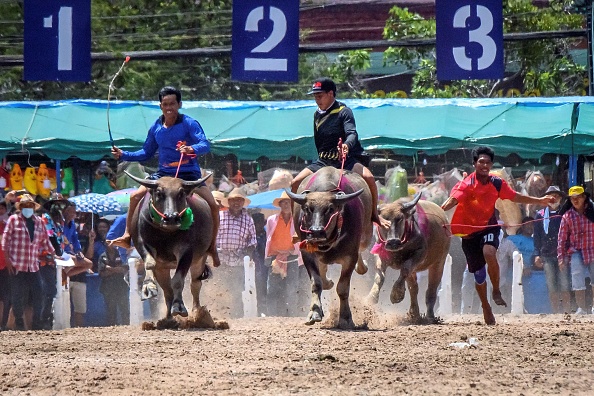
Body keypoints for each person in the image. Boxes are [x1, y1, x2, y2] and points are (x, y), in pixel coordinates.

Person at [441, 146, 555, 325]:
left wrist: (539, 201)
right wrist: (439, 212)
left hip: (489, 227)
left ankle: (495, 290)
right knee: (478, 274)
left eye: (488, 162)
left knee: (489, 252)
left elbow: (515, 197)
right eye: (481, 162)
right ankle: (486, 306)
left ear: (491, 164)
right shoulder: (466, 184)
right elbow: (452, 200)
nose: (485, 165)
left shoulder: (496, 183)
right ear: (475, 164)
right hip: (469, 233)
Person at [108, 86, 221, 268]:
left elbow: (204, 144)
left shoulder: (189, 123)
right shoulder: (156, 127)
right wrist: (123, 154)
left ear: (179, 104)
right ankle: (128, 235)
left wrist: (192, 149)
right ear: (160, 106)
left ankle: (212, 246)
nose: (169, 108)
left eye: (173, 104)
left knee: (213, 206)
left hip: (188, 176)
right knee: (135, 196)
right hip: (163, 175)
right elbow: (146, 152)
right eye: (165, 104)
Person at [290, 77, 389, 229]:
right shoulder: (317, 114)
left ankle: (375, 214)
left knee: (369, 177)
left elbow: (352, 133)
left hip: (345, 158)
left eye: (320, 96)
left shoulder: (344, 112)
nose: (317, 100)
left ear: (331, 94)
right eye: (315, 96)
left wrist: (347, 145)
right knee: (295, 183)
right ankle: (296, 226)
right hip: (323, 161)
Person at [1, 194, 55, 330]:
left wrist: (53, 253)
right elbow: (5, 242)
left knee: (40, 293)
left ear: (33, 207)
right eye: (25, 206)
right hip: (16, 264)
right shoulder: (13, 220)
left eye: (30, 206)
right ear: (21, 207)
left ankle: (37, 322)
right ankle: (19, 323)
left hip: (32, 265)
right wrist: (7, 261)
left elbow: (45, 240)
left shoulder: (38, 222)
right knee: (17, 296)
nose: (28, 208)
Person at [216, 188, 257, 318]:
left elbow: (253, 241)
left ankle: (236, 316)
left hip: (238, 261)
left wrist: (247, 254)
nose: (236, 203)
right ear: (228, 202)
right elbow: (212, 237)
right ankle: (219, 313)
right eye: (234, 200)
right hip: (220, 259)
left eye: (239, 200)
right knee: (219, 287)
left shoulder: (248, 220)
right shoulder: (220, 217)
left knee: (237, 289)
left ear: (243, 203)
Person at [557, 185, 594, 315]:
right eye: (572, 199)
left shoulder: (593, 212)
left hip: (593, 248)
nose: (575, 201)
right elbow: (561, 239)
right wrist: (561, 258)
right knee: (577, 281)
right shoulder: (567, 217)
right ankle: (581, 308)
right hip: (576, 251)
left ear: (584, 198)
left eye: (578, 198)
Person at [533, 186, 570, 314]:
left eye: (556, 196)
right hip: (547, 255)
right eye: (551, 196)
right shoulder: (540, 215)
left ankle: (566, 312)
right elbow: (537, 237)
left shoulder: (565, 213)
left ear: (560, 198)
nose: (554, 199)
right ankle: (555, 312)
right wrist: (537, 254)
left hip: (563, 254)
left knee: (565, 284)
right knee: (551, 286)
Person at [265, 191, 301, 317]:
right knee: (272, 289)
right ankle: (272, 316)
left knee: (292, 289)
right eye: (283, 202)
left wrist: (293, 251)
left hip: (292, 257)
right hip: (275, 258)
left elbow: (301, 239)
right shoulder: (271, 220)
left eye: (289, 202)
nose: (286, 205)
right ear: (280, 204)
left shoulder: (298, 221)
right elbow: (268, 238)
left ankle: (292, 316)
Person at [61, 202, 94, 327]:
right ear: (65, 211)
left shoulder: (72, 225)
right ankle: (65, 274)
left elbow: (75, 241)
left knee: (88, 264)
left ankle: (66, 274)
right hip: (63, 254)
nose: (74, 213)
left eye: (74, 211)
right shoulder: (60, 224)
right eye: (71, 211)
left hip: (70, 255)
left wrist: (79, 252)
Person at [98, 244, 130, 326]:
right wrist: (116, 269)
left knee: (124, 309)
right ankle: (112, 327)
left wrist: (110, 269)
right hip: (108, 288)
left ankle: (127, 326)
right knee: (111, 311)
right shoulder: (103, 256)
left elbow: (124, 269)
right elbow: (102, 273)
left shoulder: (121, 255)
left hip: (121, 286)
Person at [251, 212, 268, 316]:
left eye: (260, 223)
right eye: (256, 223)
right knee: (254, 288)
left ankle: (263, 310)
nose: (258, 225)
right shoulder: (251, 236)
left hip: (264, 265)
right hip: (254, 266)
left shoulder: (266, 235)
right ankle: (255, 310)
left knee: (263, 288)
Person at [0, 201, 12, 330]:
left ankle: (4, 324)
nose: (0, 211)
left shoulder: (9, 226)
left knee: (5, 296)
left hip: (6, 266)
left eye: (2, 208)